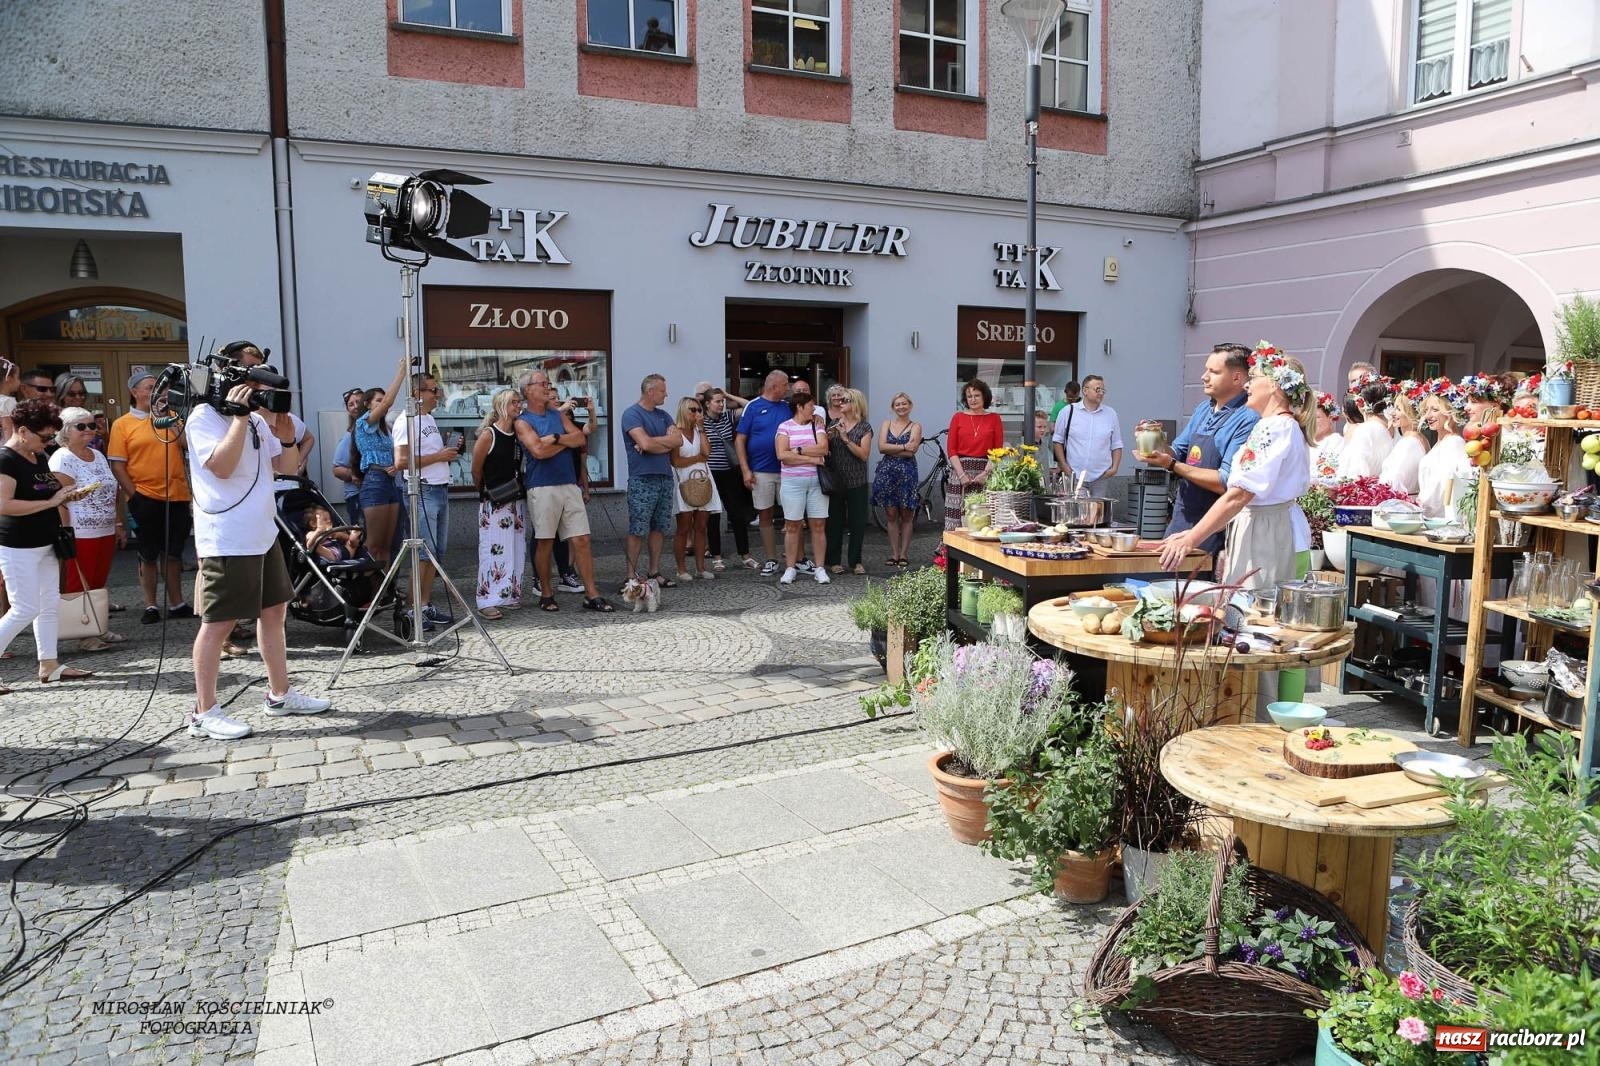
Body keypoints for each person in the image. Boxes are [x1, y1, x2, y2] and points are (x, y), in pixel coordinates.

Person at [184, 378, 331, 741]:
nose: (256, 394)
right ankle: (204, 712)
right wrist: (237, 418)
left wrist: (284, 436)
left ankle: (280, 695)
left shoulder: (257, 421)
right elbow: (221, 466)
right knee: (219, 623)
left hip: (262, 533)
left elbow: (287, 468)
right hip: (227, 538)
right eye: (249, 385)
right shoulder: (202, 417)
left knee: (274, 613)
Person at [1159, 344, 1314, 595]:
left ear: (1274, 385)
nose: (1247, 386)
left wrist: (1191, 539)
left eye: (1253, 379)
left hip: (1267, 533)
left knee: (1255, 611)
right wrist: (1193, 533)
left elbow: (1238, 495)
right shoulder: (1279, 426)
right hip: (1267, 526)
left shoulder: (1274, 428)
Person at [0, 400, 94, 690]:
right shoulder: (6, 459)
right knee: (24, 608)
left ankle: (49, 665)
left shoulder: (36, 454)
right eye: (44, 437)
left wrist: (67, 495)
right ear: (23, 431)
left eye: (52, 437)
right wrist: (51, 502)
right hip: (17, 545)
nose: (48, 443)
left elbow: (46, 492)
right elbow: (4, 504)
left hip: (45, 541)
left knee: (48, 604)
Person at [1136, 343, 1258, 558]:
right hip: (1182, 515)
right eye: (1206, 369)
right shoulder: (1203, 409)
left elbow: (1225, 482)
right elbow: (1178, 451)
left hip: (1215, 525)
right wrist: (1155, 443)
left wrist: (1172, 465)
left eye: (1214, 372)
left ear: (1238, 378)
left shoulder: (1248, 418)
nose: (1204, 376)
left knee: (1200, 587)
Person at [514, 369, 613, 612]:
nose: (548, 386)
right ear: (529, 390)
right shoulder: (523, 421)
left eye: (548, 383)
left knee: (582, 539)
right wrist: (558, 442)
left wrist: (554, 439)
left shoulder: (557, 416)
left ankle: (591, 594)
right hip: (542, 486)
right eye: (543, 383)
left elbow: (579, 439)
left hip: (569, 483)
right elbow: (537, 452)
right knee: (545, 541)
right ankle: (546, 592)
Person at [108, 370, 193, 624]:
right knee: (148, 553)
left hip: (176, 495)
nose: (156, 391)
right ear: (135, 392)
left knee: (174, 552)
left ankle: (177, 602)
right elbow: (117, 465)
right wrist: (134, 496)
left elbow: (188, 444)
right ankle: (150, 605)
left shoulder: (171, 417)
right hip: (145, 496)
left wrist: (170, 415)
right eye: (149, 387)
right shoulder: (123, 423)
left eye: (159, 386)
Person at [49, 406, 126, 652]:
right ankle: (83, 633)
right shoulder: (62, 458)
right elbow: (60, 499)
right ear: (65, 430)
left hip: (104, 528)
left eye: (92, 425)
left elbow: (111, 492)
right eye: (81, 426)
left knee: (98, 581)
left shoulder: (98, 455)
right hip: (80, 530)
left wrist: (117, 523)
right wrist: (66, 531)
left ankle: (97, 627)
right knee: (78, 581)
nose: (88, 430)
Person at [393, 370, 463, 628]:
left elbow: (427, 452)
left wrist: (445, 449)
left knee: (435, 553)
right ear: (416, 394)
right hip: (423, 491)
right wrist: (439, 457)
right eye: (433, 390)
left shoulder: (428, 418)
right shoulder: (406, 421)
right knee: (422, 553)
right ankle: (413, 608)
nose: (438, 394)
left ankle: (424, 603)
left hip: (439, 488)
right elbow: (401, 462)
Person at [620, 374, 684, 588]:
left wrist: (650, 442)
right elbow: (645, 445)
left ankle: (654, 570)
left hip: (665, 477)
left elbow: (677, 440)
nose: (666, 394)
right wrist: (650, 444)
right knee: (638, 527)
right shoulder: (631, 415)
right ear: (650, 391)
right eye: (662, 390)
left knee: (660, 527)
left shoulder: (664, 416)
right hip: (642, 479)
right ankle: (631, 574)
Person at [468, 388, 525, 619]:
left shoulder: (518, 434)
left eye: (519, 402)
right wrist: (485, 491)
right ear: (501, 405)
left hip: (516, 498)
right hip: (495, 500)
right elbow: (475, 469)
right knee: (493, 549)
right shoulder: (489, 435)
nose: (518, 405)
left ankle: (509, 593)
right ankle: (486, 599)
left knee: (515, 548)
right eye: (513, 402)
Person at [736, 369, 794, 576]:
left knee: (793, 516)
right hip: (761, 470)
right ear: (774, 386)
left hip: (788, 470)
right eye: (786, 384)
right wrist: (745, 470)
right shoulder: (753, 406)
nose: (788, 388)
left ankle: (795, 559)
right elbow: (740, 439)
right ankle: (771, 559)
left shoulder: (788, 407)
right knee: (765, 514)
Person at [355, 359, 408, 568]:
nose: (382, 403)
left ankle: (385, 591)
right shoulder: (363, 422)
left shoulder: (385, 429)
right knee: (374, 544)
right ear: (367, 404)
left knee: (388, 544)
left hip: (390, 481)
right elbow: (388, 403)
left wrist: (396, 465)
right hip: (375, 481)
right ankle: (368, 591)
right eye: (377, 400)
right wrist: (401, 373)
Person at [775, 387, 830, 585]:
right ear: (799, 407)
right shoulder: (784, 427)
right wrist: (812, 459)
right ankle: (790, 567)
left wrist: (797, 450)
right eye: (810, 406)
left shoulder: (817, 426)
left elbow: (824, 448)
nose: (814, 409)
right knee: (792, 525)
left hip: (816, 483)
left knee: (818, 525)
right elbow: (782, 455)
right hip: (792, 483)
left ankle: (820, 567)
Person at [700, 386, 752, 571]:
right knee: (714, 515)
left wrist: (728, 394)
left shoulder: (728, 417)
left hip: (730, 471)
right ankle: (716, 557)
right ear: (707, 404)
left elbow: (749, 406)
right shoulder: (701, 421)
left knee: (737, 514)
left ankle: (745, 555)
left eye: (722, 401)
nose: (721, 404)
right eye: (717, 401)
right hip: (711, 473)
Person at [671, 395, 722, 582]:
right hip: (684, 482)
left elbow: (707, 453)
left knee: (701, 526)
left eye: (699, 410)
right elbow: (676, 461)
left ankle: (701, 568)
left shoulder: (700, 430)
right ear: (683, 411)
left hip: (703, 481)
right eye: (693, 410)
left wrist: (701, 428)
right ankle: (681, 568)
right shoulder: (675, 432)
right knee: (683, 528)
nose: (697, 413)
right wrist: (696, 459)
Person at [823, 385, 873, 575]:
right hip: (836, 482)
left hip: (857, 481)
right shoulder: (834, 423)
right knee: (834, 523)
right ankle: (833, 560)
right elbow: (825, 450)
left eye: (845, 400)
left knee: (857, 523)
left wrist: (845, 438)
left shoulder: (864, 427)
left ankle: (855, 561)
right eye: (840, 400)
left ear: (855, 403)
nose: (840, 403)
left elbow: (864, 455)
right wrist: (827, 439)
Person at [945, 379, 1004, 529]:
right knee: (956, 516)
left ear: (985, 396)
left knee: (982, 516)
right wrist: (961, 474)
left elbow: (998, 450)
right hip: (960, 471)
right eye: (969, 396)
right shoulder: (958, 417)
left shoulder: (994, 419)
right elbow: (951, 449)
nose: (973, 399)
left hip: (984, 471)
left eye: (976, 395)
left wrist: (985, 473)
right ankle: (950, 550)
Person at [872, 392, 921, 568]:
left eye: (904, 404)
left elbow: (912, 451)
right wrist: (903, 446)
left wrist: (893, 448)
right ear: (893, 407)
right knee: (891, 514)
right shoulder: (887, 423)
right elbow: (881, 447)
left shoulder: (916, 426)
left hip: (907, 473)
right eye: (897, 404)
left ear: (910, 406)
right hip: (887, 473)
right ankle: (893, 553)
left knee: (907, 514)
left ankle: (904, 554)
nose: (901, 407)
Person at [1053, 374, 1123, 491]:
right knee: (1077, 509)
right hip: (1075, 475)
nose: (1101, 393)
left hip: (1101, 476)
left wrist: (1114, 468)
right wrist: (1064, 466)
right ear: (1085, 391)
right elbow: (1057, 440)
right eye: (1097, 389)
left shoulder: (1110, 414)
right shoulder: (1067, 412)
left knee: (1098, 509)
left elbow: (1117, 444)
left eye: (1103, 390)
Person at [1417, 385, 1471, 518]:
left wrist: (1420, 504)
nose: (1428, 415)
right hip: (1428, 514)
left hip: (1439, 517)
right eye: (1426, 410)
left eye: (1435, 410)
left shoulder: (1454, 443)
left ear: (1450, 412)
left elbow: (1443, 483)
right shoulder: (1441, 443)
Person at [1337, 380, 1395, 479]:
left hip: (1366, 490)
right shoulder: (1392, 429)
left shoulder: (1364, 430)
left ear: (1360, 404)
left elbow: (1355, 472)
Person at [1379, 385, 1429, 498]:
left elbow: (1396, 477)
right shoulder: (1414, 439)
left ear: (1410, 412)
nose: (1393, 413)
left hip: (1400, 503)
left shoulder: (1410, 442)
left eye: (1398, 409)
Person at [331, 387, 368, 529]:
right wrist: (354, 475)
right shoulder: (350, 436)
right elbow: (336, 469)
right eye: (350, 404)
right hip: (357, 496)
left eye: (358, 402)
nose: (355, 407)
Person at [1309, 391, 1344, 482]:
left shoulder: (1336, 442)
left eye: (1317, 417)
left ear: (1330, 418)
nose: (1312, 422)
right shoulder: (1306, 442)